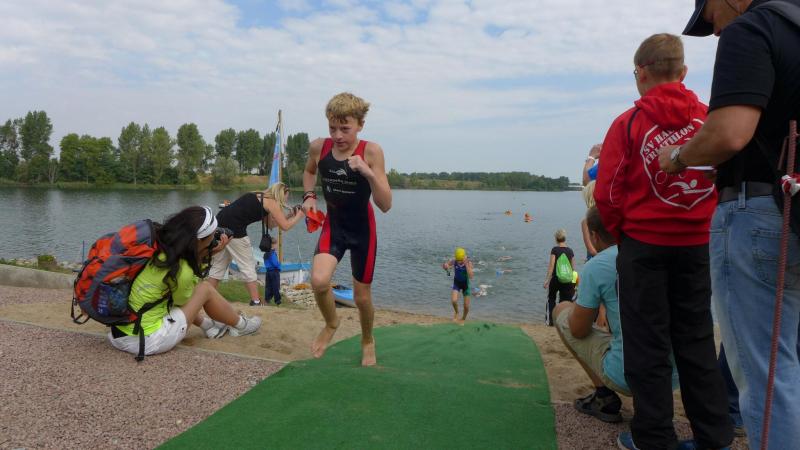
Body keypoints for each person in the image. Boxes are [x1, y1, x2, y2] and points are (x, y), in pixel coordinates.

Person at [656, 2, 800, 448]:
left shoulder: (753, 28)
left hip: (761, 210)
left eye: (710, 17)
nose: (715, 30)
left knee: (767, 375)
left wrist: (677, 158)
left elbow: (729, 133)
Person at [593, 33, 733, 450]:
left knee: (646, 344)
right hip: (697, 244)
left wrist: (626, 234)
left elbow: (608, 193)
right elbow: (724, 175)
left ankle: (654, 439)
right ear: (683, 72)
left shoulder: (628, 124)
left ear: (640, 73)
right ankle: (714, 437)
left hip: (644, 246)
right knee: (696, 339)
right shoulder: (708, 119)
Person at [301, 92, 392, 367]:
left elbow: (385, 204)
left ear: (360, 125)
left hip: (363, 231)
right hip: (334, 226)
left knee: (362, 297)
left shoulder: (372, 151)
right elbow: (309, 172)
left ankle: (367, 339)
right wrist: (309, 196)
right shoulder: (319, 148)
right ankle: (331, 323)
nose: (338, 135)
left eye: (345, 128)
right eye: (333, 128)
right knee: (319, 281)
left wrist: (368, 172)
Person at [108, 206, 262, 357]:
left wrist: (203, 253)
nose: (213, 240)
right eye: (212, 236)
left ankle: (209, 326)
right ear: (198, 241)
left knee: (176, 293)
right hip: (146, 341)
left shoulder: (159, 248)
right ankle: (242, 325)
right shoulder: (182, 268)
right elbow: (184, 300)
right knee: (204, 289)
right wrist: (204, 256)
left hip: (120, 333)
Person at [207, 182, 304, 306]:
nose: (286, 200)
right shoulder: (272, 203)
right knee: (248, 265)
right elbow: (285, 227)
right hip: (235, 230)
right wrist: (299, 216)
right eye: (286, 196)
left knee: (219, 265)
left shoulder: (259, 195)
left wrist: (289, 215)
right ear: (281, 194)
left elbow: (271, 224)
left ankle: (206, 296)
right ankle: (256, 301)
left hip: (219, 224)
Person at [543, 229, 575, 326]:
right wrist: (574, 283)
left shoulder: (555, 250)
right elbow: (573, 268)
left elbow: (551, 266)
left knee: (551, 298)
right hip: (567, 280)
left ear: (556, 239)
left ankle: (551, 321)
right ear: (565, 238)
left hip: (556, 279)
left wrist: (547, 280)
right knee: (565, 301)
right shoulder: (570, 251)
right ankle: (563, 322)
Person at [442, 247, 475, 323]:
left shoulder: (468, 263)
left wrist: (466, 264)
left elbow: (471, 276)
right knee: (454, 301)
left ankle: (463, 318)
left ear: (464, 258)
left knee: (466, 306)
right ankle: (457, 312)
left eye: (460, 260)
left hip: (465, 285)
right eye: (458, 260)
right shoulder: (454, 261)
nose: (459, 262)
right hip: (457, 283)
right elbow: (446, 266)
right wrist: (445, 266)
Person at [263, 237, 282, 306]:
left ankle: (267, 299)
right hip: (274, 271)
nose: (277, 246)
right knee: (276, 286)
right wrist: (279, 266)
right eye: (276, 244)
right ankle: (277, 300)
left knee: (268, 286)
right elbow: (275, 263)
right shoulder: (272, 253)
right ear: (273, 245)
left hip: (268, 271)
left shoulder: (266, 253)